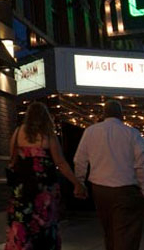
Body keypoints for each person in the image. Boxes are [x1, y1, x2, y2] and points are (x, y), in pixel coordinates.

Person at [5, 102, 87, 250]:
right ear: (45, 117)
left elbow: (12, 160)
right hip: (44, 189)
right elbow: (60, 163)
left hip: (22, 189)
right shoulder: (48, 135)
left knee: (22, 224)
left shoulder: (17, 133)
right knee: (45, 225)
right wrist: (77, 183)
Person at [73, 100, 144, 250]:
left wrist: (80, 182)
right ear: (121, 115)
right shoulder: (132, 133)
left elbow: (80, 159)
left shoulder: (91, 131)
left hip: (100, 189)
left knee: (109, 233)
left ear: (104, 114)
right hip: (126, 189)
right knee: (126, 236)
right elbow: (142, 161)